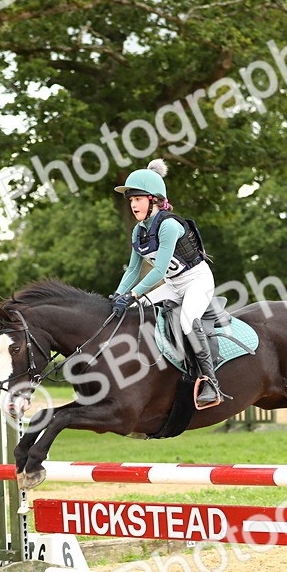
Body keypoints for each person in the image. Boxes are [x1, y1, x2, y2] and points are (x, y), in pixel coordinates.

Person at [110, 159, 225, 409]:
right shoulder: (138, 231)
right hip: (173, 285)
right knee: (133, 312)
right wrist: (118, 296)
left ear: (153, 200)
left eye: (138, 199)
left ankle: (211, 382)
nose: (133, 205)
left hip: (197, 280)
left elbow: (159, 269)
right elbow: (133, 269)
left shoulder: (169, 225)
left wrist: (133, 294)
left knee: (187, 321)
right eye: (130, 200)